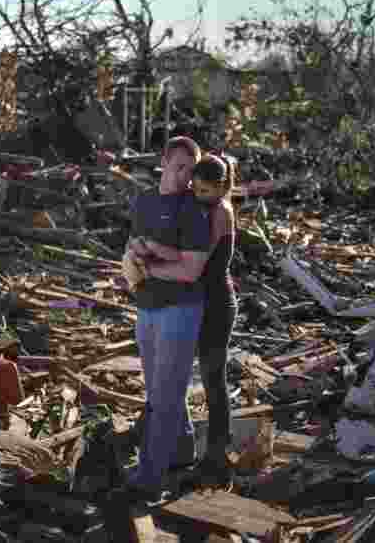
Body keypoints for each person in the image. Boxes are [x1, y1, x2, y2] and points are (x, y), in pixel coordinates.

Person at [121, 136, 212, 502]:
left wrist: (155, 265)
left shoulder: (193, 209)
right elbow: (132, 244)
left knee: (164, 396)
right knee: (160, 389)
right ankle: (183, 449)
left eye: (190, 172)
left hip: (181, 310)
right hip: (147, 306)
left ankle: (150, 478)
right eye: (178, 168)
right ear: (163, 162)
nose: (184, 178)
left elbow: (191, 270)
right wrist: (134, 259)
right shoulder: (144, 200)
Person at [186, 153, 238, 487]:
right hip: (205, 302)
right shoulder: (207, 207)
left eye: (204, 190)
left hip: (217, 305)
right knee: (205, 378)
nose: (197, 195)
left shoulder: (220, 212)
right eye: (194, 188)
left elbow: (200, 263)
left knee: (213, 381)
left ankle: (217, 457)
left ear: (220, 188)